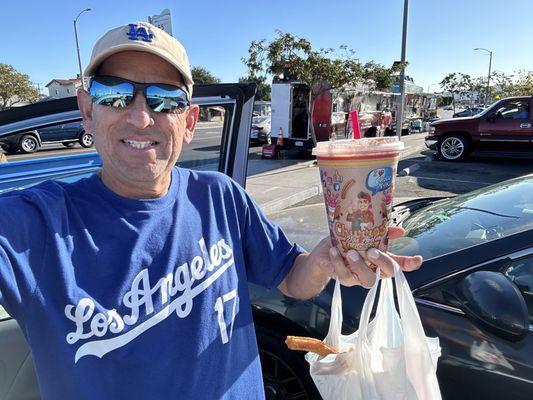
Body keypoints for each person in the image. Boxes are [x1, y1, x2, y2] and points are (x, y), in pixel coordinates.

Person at [0, 22, 422, 399]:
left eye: (165, 99)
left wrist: (325, 262)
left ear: (188, 121)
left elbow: (291, 276)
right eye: (116, 94)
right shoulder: (33, 225)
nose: (142, 117)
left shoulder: (220, 196)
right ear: (87, 110)